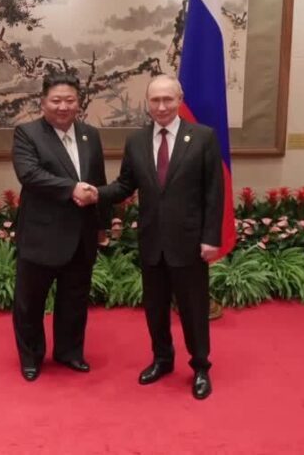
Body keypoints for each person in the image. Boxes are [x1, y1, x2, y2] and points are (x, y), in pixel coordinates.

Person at [98, 75, 223, 400]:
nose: (162, 106)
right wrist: (95, 194)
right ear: (148, 103)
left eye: (168, 99)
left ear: (179, 99)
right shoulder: (136, 141)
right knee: (155, 308)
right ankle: (162, 359)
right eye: (155, 100)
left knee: (193, 309)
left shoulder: (203, 137)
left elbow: (214, 192)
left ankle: (200, 366)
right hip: (152, 241)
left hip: (190, 243)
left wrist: (211, 238)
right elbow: (125, 185)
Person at [11, 74, 107, 381]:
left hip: (81, 235)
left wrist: (102, 225)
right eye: (56, 100)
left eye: (69, 100)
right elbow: (29, 174)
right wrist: (71, 189)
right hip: (41, 235)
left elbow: (99, 180)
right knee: (30, 303)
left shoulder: (90, 135)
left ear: (79, 103)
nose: (63, 107)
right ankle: (31, 357)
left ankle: (69, 352)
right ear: (42, 102)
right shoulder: (27, 133)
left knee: (74, 300)